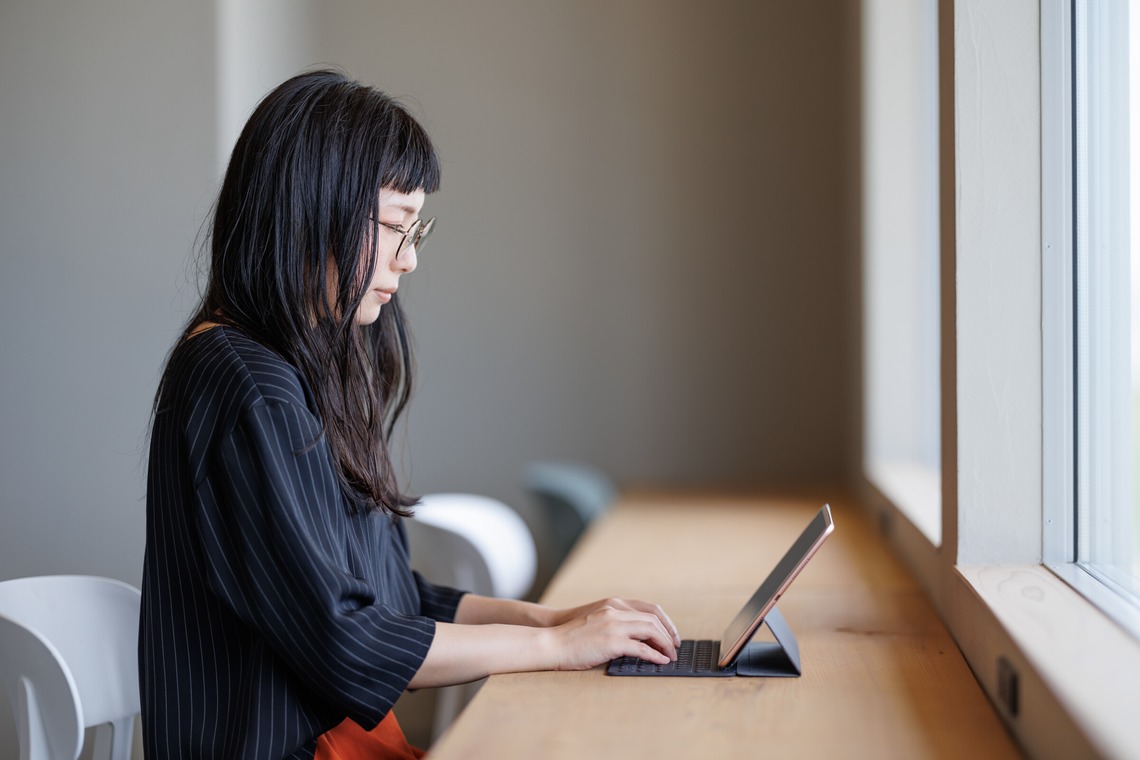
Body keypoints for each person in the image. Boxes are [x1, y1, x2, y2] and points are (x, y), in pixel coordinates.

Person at [138, 69, 679, 760]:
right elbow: (348, 642)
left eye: (415, 227)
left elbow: (390, 600)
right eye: (395, 225)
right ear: (311, 211)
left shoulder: (300, 368)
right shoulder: (246, 385)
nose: (411, 256)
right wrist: (552, 645)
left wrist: (560, 621)